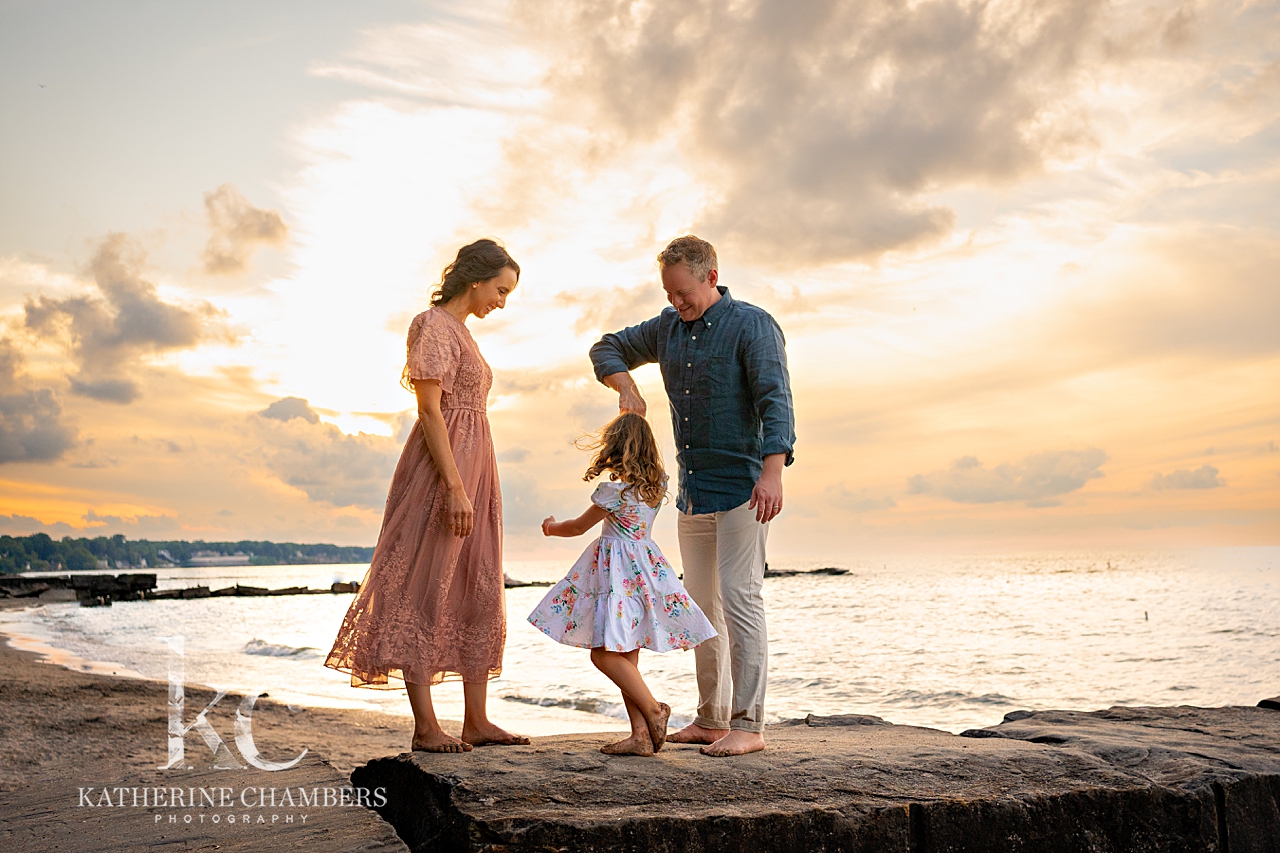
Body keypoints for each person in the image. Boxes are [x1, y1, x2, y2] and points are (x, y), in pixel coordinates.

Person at [589, 235, 795, 757]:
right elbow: (606, 346)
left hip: (747, 489)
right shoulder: (666, 329)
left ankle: (749, 724)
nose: (676, 303)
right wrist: (625, 388)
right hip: (693, 491)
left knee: (740, 597)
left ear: (711, 275)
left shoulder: (752, 325)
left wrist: (773, 474)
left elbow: (777, 401)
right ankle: (711, 718)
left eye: (683, 293)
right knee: (701, 608)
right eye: (669, 294)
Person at [325, 238, 530, 753]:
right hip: (444, 472)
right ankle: (425, 727)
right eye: (500, 291)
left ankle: (477, 721)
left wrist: (474, 483)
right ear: (476, 279)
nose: (501, 303)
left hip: (477, 465)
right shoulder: (433, 324)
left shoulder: (462, 332)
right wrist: (455, 486)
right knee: (426, 581)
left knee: (475, 580)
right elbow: (430, 411)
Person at [528, 413, 717, 756]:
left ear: (616, 448)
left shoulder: (613, 492)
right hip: (644, 569)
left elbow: (577, 527)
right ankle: (641, 737)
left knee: (603, 656)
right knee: (626, 657)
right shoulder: (656, 486)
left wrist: (553, 526)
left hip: (617, 574)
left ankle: (655, 710)